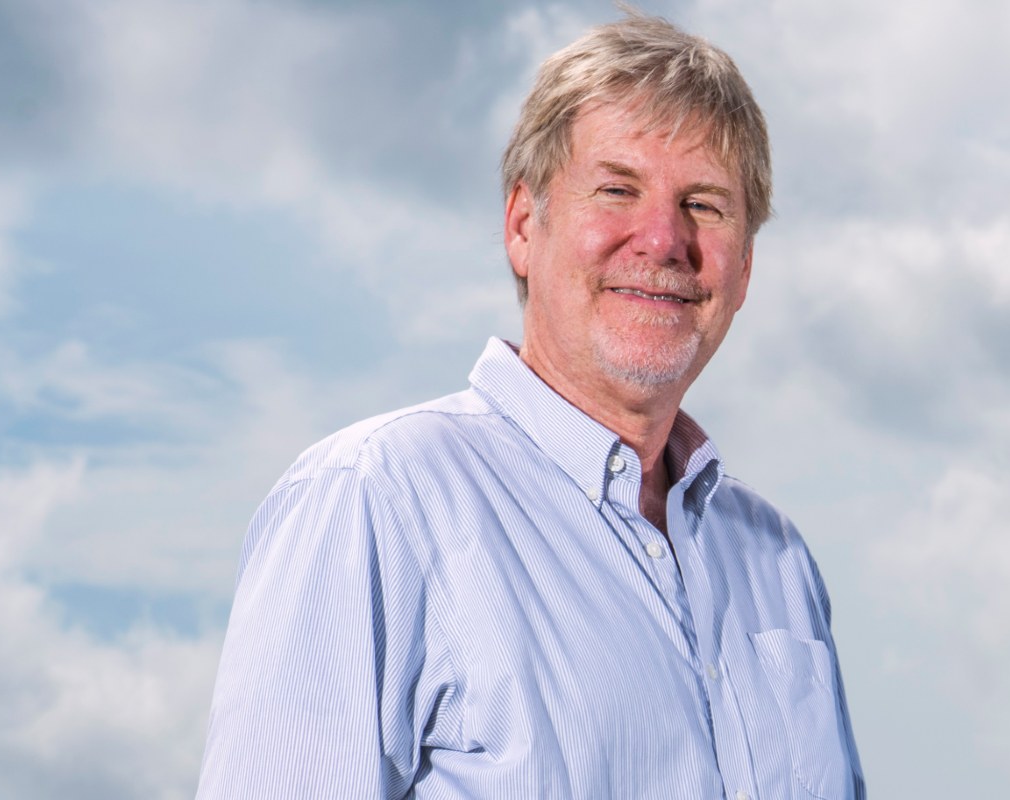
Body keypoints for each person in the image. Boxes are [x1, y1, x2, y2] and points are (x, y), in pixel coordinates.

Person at [196, 11, 865, 799]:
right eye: (617, 189)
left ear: (745, 266)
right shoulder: (374, 499)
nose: (663, 240)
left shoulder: (777, 560)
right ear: (522, 225)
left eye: (705, 205)